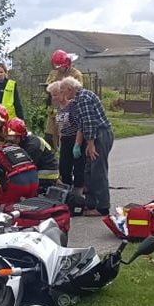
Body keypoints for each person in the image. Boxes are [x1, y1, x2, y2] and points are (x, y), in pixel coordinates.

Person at [59, 76, 113, 216]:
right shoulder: (77, 100)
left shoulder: (83, 98)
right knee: (88, 171)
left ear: (70, 89)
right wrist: (79, 144)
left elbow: (89, 122)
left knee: (98, 171)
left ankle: (102, 207)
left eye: (63, 90)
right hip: (94, 134)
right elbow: (82, 124)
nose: (62, 93)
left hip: (99, 134)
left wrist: (90, 144)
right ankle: (90, 204)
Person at [47, 80, 84, 196]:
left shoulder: (72, 106)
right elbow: (59, 128)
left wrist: (77, 144)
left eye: (55, 94)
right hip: (65, 140)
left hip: (75, 138)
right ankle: (67, 192)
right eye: (52, 95)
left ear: (62, 93)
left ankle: (78, 193)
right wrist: (59, 143)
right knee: (64, 167)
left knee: (78, 167)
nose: (53, 97)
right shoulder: (59, 109)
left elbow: (80, 125)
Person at [4, 118, 59, 191]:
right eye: (10, 136)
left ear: (22, 136)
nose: (12, 140)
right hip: (39, 170)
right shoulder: (23, 142)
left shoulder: (32, 145)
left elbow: (24, 166)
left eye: (16, 137)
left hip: (47, 175)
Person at [44, 50, 84, 151]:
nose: (58, 69)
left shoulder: (76, 75)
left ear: (67, 64)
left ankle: (63, 153)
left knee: (64, 135)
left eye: (60, 66)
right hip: (54, 108)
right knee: (49, 135)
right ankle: (52, 155)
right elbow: (48, 87)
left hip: (68, 109)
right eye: (56, 66)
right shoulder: (54, 73)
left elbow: (77, 92)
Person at [0, 143, 39, 207]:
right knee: (31, 207)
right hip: (35, 177)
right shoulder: (13, 147)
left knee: (2, 204)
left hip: (19, 180)